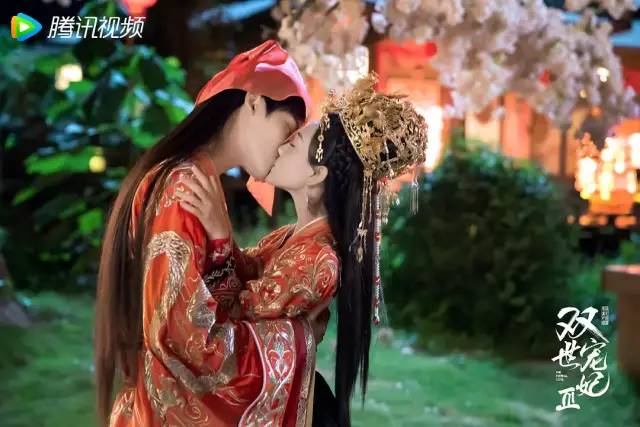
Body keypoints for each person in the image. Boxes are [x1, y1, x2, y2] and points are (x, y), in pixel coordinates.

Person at [95, 40, 332, 427]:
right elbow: (182, 339)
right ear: (253, 103)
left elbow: (210, 299)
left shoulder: (195, 181)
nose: (283, 148)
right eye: (287, 129)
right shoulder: (184, 186)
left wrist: (223, 244)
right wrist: (300, 334)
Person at [175, 74, 428, 426]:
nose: (278, 149)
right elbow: (247, 272)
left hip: (292, 409)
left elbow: (238, 318)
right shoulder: (292, 236)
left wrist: (219, 238)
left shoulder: (320, 260)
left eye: (291, 145)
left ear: (315, 175)